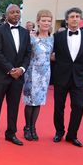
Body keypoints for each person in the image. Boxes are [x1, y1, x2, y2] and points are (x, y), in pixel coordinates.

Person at [0, 4, 31, 147]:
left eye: (18, 12)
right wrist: (11, 69)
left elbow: (28, 53)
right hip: (2, 75)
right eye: (12, 12)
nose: (16, 14)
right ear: (6, 15)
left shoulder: (25, 32)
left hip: (18, 77)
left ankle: (11, 133)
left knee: (14, 107)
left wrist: (22, 69)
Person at [52, 7, 83, 147]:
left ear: (80, 19)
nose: (75, 18)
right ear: (67, 20)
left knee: (78, 107)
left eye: (77, 16)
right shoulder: (57, 37)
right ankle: (59, 132)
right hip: (61, 77)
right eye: (72, 16)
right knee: (59, 107)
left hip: (80, 77)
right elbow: (52, 55)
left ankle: (72, 135)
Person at [22, 10, 54, 141]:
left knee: (38, 102)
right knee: (30, 102)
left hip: (45, 74)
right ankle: (27, 127)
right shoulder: (31, 37)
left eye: (48, 20)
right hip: (31, 73)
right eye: (43, 20)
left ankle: (33, 127)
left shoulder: (53, 38)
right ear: (38, 22)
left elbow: (52, 55)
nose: (46, 23)